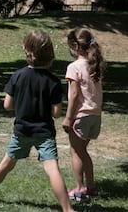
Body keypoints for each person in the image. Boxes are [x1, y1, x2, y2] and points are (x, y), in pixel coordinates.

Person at [0, 30, 75, 212]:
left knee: (7, 163)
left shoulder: (18, 76)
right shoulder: (52, 81)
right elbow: (57, 113)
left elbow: (7, 105)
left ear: (27, 51)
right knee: (52, 169)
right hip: (44, 133)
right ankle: (67, 209)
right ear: (50, 54)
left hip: (22, 131)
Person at [62, 28, 105, 202]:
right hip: (95, 116)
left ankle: (79, 189)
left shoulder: (74, 67)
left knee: (76, 151)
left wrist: (68, 118)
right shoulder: (94, 65)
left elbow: (73, 95)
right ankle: (91, 188)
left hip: (81, 116)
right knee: (83, 151)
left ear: (76, 46)